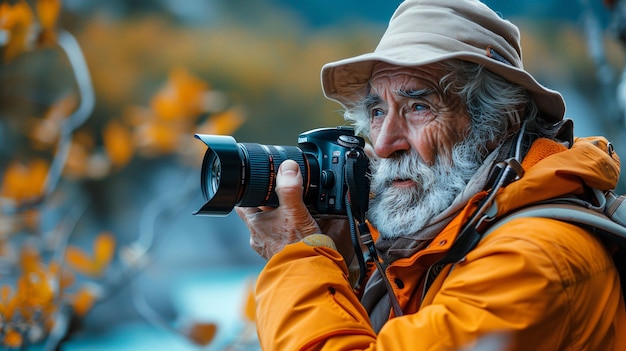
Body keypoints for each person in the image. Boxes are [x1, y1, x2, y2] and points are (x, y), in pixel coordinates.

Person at [236, 0, 626, 350]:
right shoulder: (443, 237)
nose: (386, 143)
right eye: (376, 112)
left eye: (418, 107)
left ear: (499, 121)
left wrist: (294, 257)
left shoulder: (535, 258)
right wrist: (348, 263)